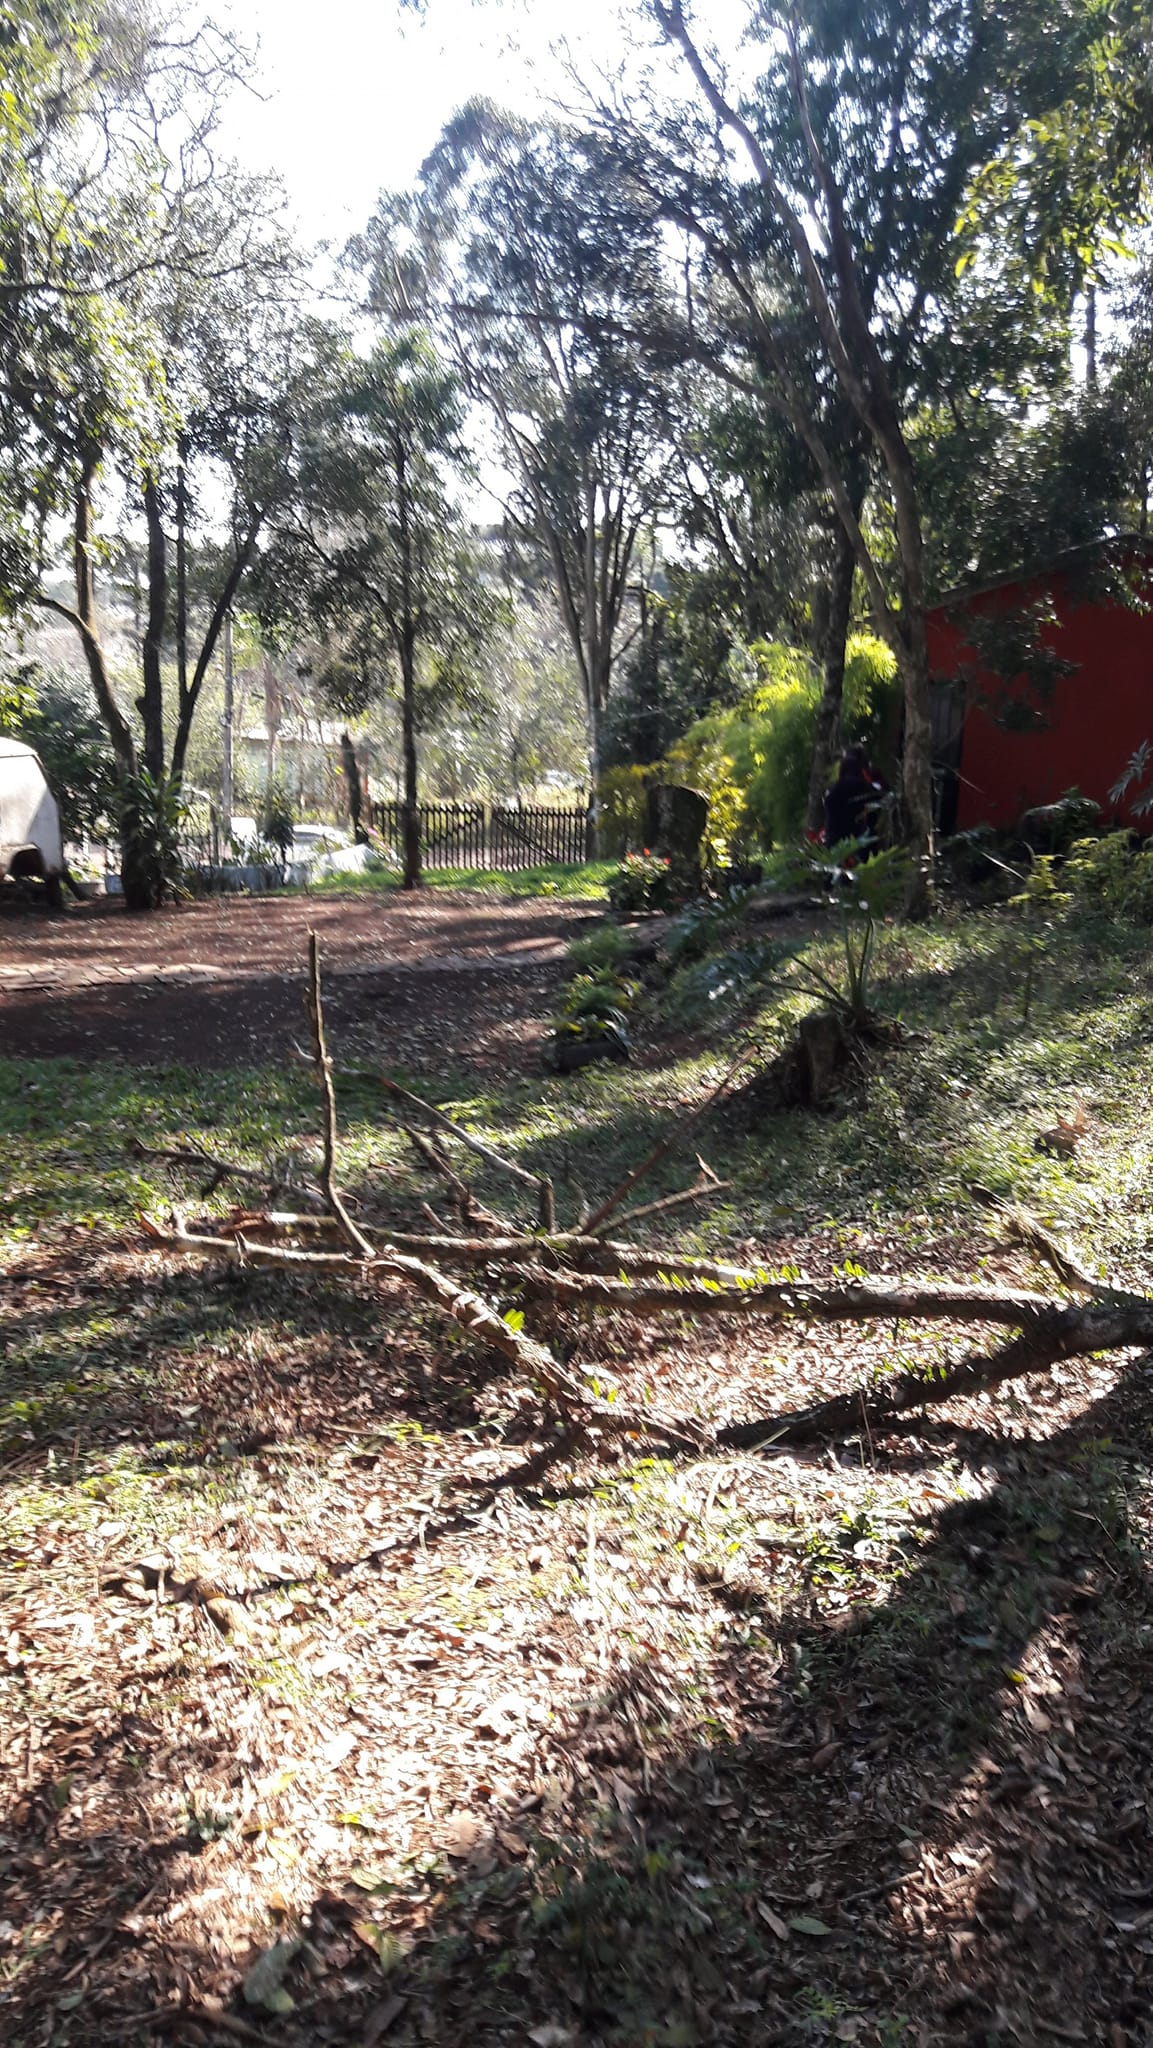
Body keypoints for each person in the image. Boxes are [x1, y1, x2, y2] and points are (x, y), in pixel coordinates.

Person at [824, 744, 884, 847]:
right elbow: (879, 796)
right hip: (855, 835)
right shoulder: (862, 781)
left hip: (834, 835)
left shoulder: (835, 788)